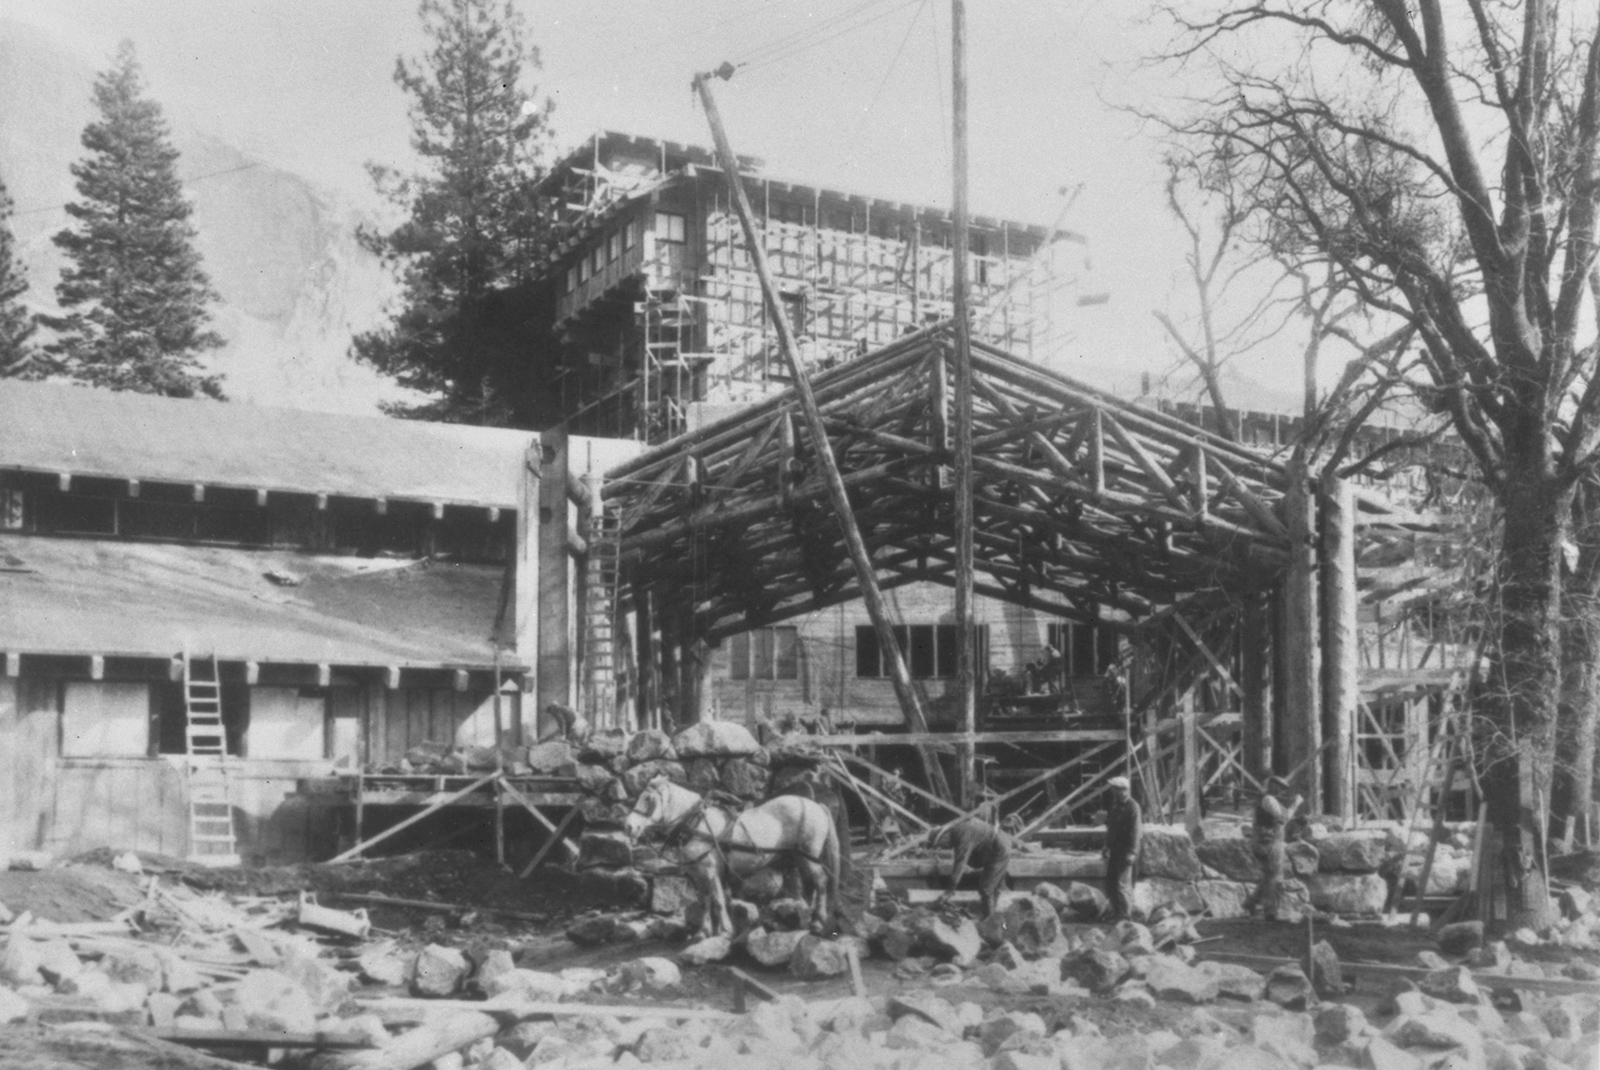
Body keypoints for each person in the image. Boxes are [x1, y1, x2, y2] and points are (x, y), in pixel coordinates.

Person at [1245, 775, 1304, 921]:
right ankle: (1270, 912)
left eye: (1284, 790)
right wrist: (1295, 804)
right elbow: (1283, 819)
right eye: (1281, 789)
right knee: (1273, 877)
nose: (1283, 793)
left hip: (1269, 840)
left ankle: (1250, 903)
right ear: (1273, 787)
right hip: (1269, 842)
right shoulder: (1269, 800)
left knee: (1268, 876)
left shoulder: (1269, 800)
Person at [941, 816, 1013, 917]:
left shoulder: (962, 836)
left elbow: (960, 864)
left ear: (944, 836)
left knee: (985, 889)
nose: (942, 847)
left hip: (1000, 850)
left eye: (941, 844)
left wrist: (950, 890)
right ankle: (994, 913)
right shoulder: (958, 831)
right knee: (992, 885)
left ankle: (988, 919)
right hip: (996, 846)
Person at [1102, 775, 1142, 920]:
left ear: (1123, 790)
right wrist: (1106, 845)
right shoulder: (1116, 806)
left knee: (1122, 884)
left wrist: (1132, 852)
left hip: (1126, 851)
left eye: (1116, 790)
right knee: (1111, 884)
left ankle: (1125, 916)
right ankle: (1116, 912)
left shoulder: (1133, 807)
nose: (1113, 792)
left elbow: (1136, 831)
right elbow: (1111, 828)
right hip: (1115, 850)